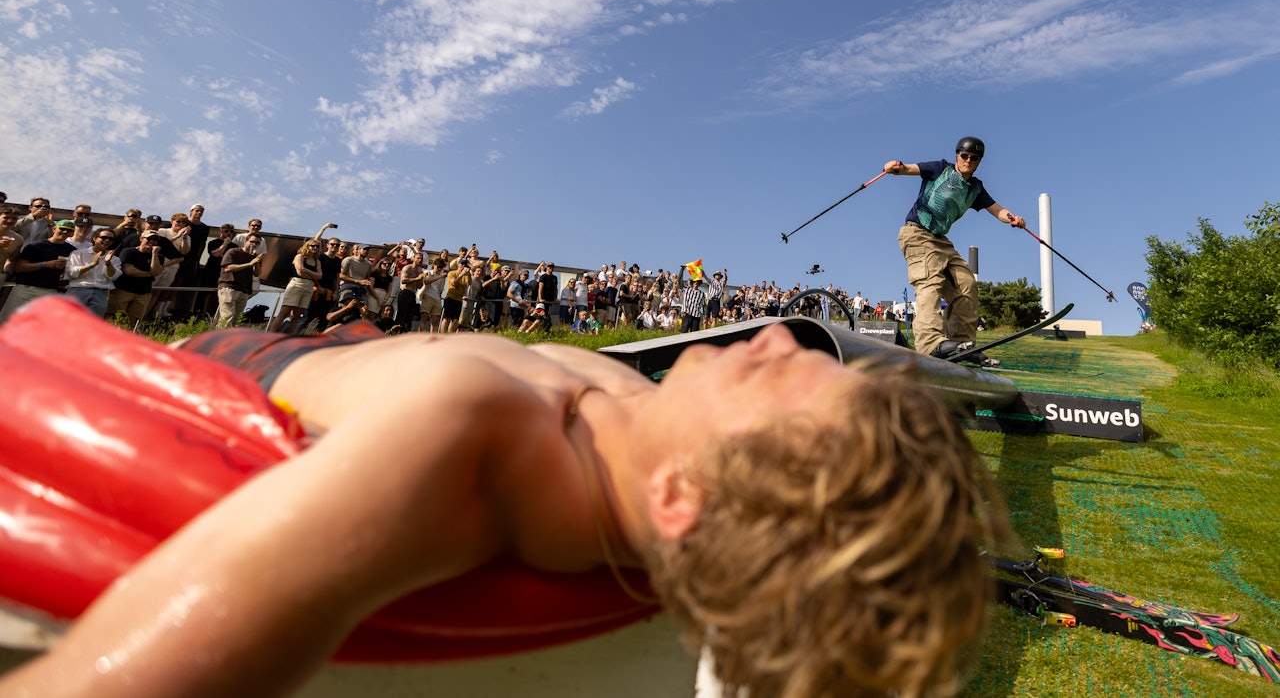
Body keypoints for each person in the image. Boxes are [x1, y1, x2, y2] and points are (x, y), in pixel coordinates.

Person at [0, 319, 1001, 698]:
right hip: (374, 341)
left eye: (777, 378)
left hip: (240, 366)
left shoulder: (470, 435)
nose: (783, 339)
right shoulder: (666, 468)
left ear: (680, 496)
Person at [886, 137, 1025, 365]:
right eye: (964, 156)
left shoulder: (975, 188)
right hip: (918, 234)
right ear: (957, 155)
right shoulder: (941, 169)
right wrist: (895, 168)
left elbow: (997, 210)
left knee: (966, 284)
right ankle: (930, 344)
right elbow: (910, 168)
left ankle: (962, 344)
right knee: (930, 283)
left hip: (941, 241)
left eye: (974, 158)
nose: (968, 161)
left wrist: (1013, 219)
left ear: (979, 161)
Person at [0, 219, 77, 323]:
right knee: (9, 320)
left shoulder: (72, 250)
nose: (65, 232)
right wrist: (45, 264)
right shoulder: (35, 246)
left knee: (39, 325)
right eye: (62, 229)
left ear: (72, 233)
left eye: (69, 230)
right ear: (54, 229)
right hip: (26, 288)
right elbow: (19, 267)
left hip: (49, 291)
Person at [267, 240, 324, 333]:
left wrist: (308, 271)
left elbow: (320, 276)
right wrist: (313, 274)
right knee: (284, 312)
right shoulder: (300, 256)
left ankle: (290, 336)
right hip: (297, 284)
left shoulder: (317, 261)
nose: (315, 248)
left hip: (309, 286)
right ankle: (270, 333)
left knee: (297, 314)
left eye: (317, 246)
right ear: (307, 246)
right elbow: (300, 272)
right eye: (313, 246)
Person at [64, 228, 121, 316]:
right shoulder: (78, 253)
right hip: (78, 290)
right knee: (69, 321)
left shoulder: (115, 259)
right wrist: (92, 265)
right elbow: (71, 273)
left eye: (111, 239)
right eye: (104, 237)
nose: (107, 240)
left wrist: (108, 263)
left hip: (100, 293)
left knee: (93, 325)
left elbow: (113, 277)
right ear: (94, 238)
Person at [215, 234, 264, 328]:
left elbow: (257, 274)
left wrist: (256, 262)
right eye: (252, 241)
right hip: (229, 288)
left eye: (257, 243)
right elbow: (228, 268)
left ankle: (230, 341)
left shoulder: (255, 256)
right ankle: (218, 340)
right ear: (245, 241)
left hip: (244, 290)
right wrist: (249, 264)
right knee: (227, 317)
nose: (254, 244)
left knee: (236, 321)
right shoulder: (233, 251)